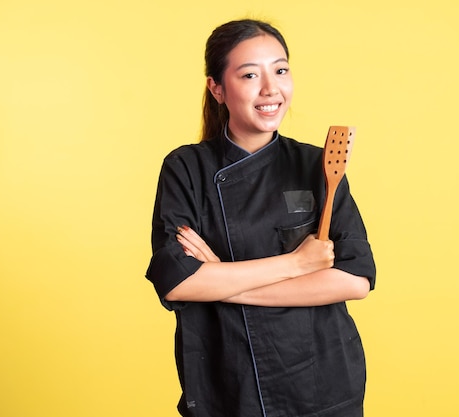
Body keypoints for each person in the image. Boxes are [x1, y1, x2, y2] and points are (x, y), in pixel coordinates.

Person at [145, 18, 376, 417]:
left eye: (281, 70)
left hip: (323, 383)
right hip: (228, 385)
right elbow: (177, 281)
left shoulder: (318, 164)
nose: (271, 89)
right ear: (217, 88)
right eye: (250, 74)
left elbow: (355, 279)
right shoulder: (186, 169)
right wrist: (296, 265)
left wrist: (220, 282)